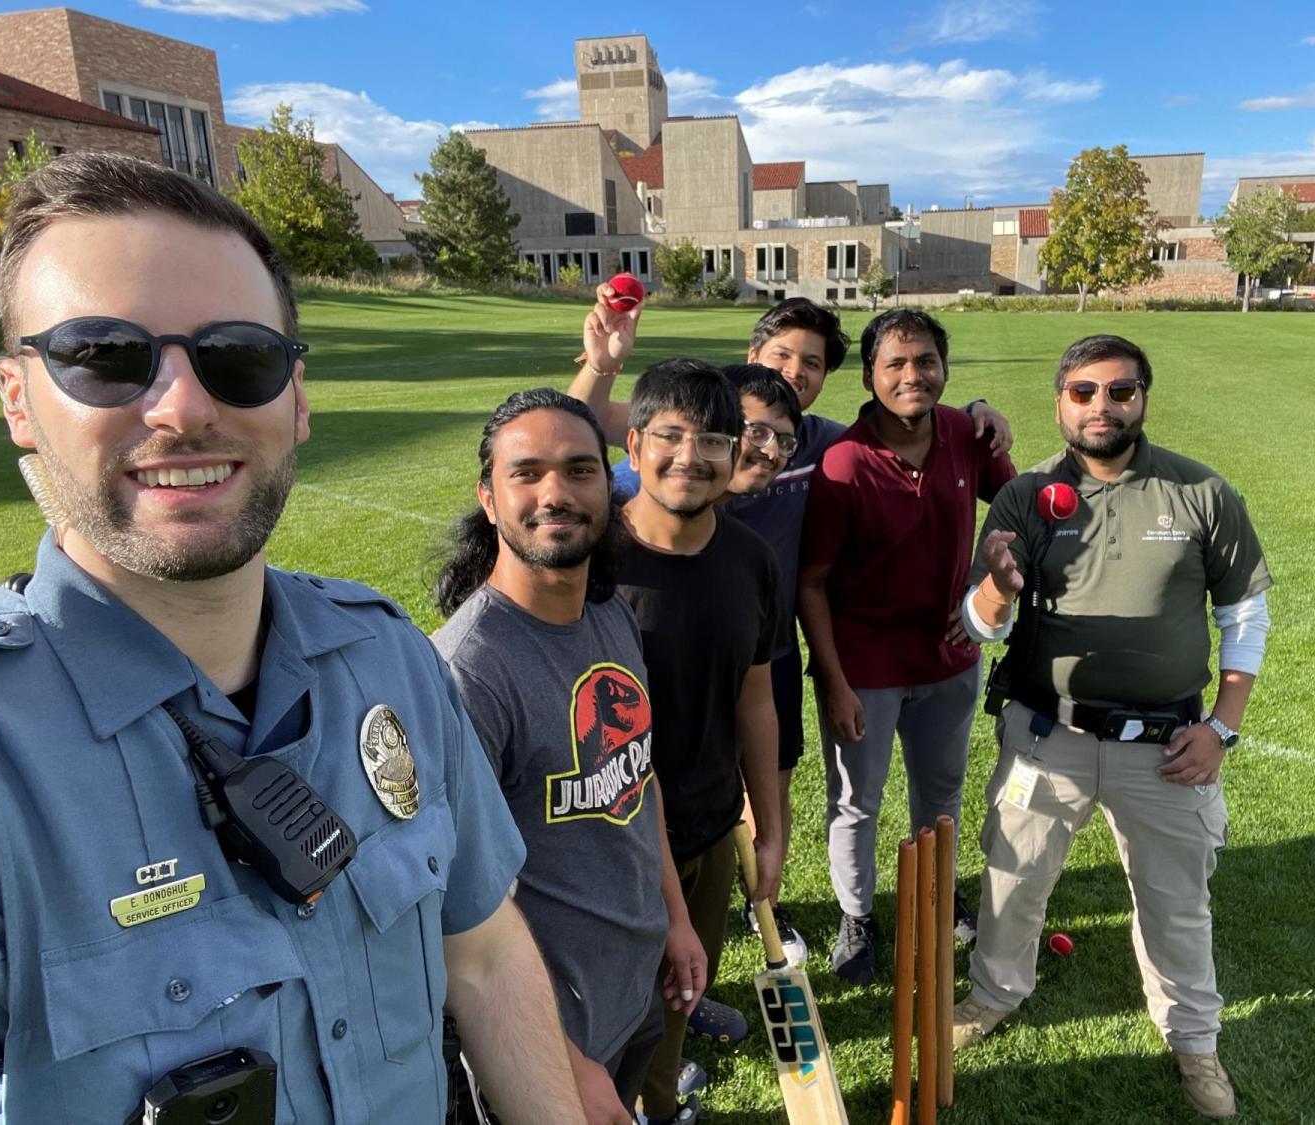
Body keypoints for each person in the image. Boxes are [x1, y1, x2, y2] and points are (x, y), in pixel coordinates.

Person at [0, 152, 582, 1124]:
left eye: (237, 356)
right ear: (18, 399)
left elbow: (484, 949)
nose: (181, 407)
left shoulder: (390, 658)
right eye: (105, 355)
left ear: (295, 400)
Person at [574, 297, 1014, 967]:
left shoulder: (822, 445)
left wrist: (978, 413)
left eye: (812, 361)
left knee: (752, 788)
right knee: (648, 796)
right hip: (656, 656)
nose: (797, 372)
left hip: (764, 648)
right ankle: (674, 941)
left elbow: (907, 429)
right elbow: (582, 428)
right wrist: (601, 367)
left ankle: (755, 898)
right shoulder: (675, 461)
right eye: (782, 355)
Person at [950, 334, 1273, 1120]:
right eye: (1084, 392)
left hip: (1166, 747)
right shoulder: (1025, 496)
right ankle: (994, 993)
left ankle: (1193, 1038)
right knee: (1011, 880)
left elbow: (1245, 615)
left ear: (1143, 399)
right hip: (1044, 735)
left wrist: (1222, 730)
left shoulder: (1201, 492)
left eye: (1120, 392)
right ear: (1060, 400)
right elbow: (978, 625)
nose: (1102, 407)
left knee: (1176, 902)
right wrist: (996, 583)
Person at [431, 389, 707, 1124]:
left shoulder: (611, 614)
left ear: (609, 491)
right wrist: (566, 1062)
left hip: (631, 983)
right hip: (545, 1032)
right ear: (489, 499)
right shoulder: (467, 671)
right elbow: (461, 904)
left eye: (580, 469)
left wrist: (674, 917)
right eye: (528, 472)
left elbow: (635, 774)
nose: (556, 492)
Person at [797, 308, 1017, 985]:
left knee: (941, 794)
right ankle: (857, 915)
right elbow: (811, 583)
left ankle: (936, 892)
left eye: (925, 361)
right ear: (869, 375)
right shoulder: (843, 463)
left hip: (949, 662)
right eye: (895, 363)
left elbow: (1016, 517)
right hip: (865, 668)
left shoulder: (964, 432)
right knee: (856, 801)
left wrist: (980, 595)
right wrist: (833, 681)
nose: (912, 375)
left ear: (945, 370)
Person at [613, 359, 787, 1125]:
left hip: (711, 827)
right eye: (670, 435)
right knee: (613, 1009)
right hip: (607, 839)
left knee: (682, 991)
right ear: (633, 443)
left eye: (712, 438)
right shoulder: (588, 560)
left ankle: (656, 1104)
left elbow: (757, 698)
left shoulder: (751, 558)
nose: (691, 455)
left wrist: (771, 826)